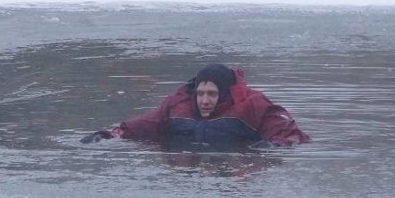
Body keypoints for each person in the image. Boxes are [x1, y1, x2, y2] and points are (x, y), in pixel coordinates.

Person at [81, 63, 310, 147]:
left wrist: (273, 147)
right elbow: (142, 126)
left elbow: (290, 134)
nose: (204, 100)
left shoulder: (252, 106)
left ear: (224, 94)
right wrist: (109, 135)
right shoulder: (177, 106)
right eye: (200, 93)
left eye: (212, 94)